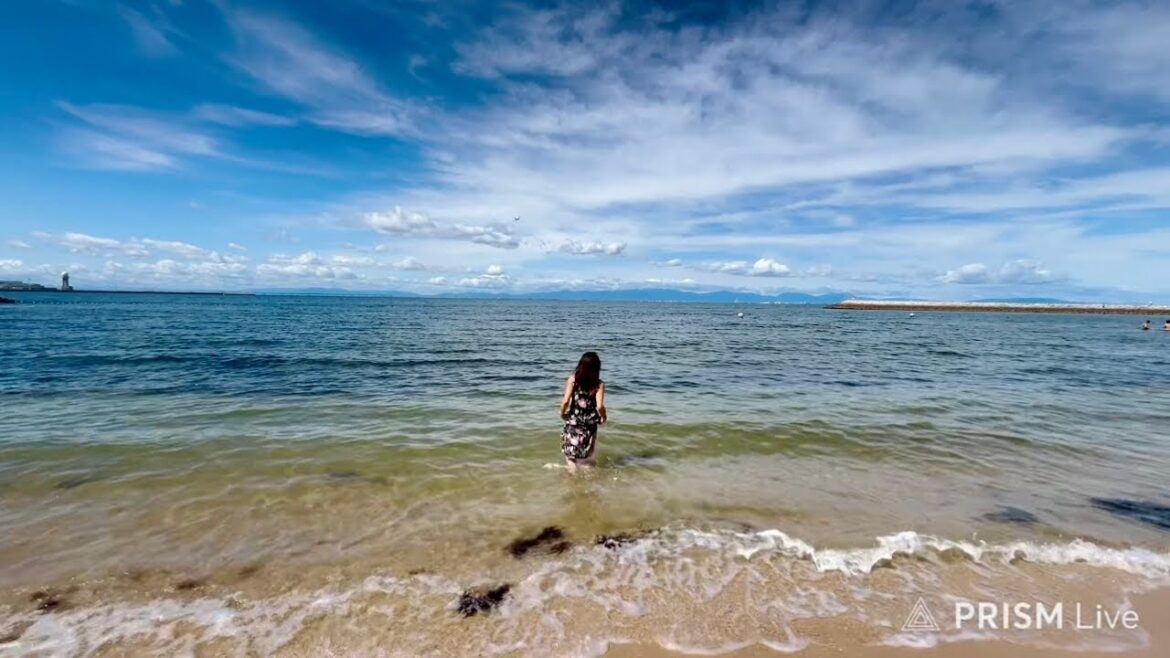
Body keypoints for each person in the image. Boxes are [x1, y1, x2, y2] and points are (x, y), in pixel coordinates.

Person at [559, 351, 606, 472]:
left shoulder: (573, 379)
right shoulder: (599, 384)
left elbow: (565, 401)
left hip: (574, 421)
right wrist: (603, 417)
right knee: (587, 454)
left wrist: (562, 413)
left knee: (571, 456)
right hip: (590, 424)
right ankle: (588, 477)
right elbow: (600, 406)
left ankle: (574, 477)